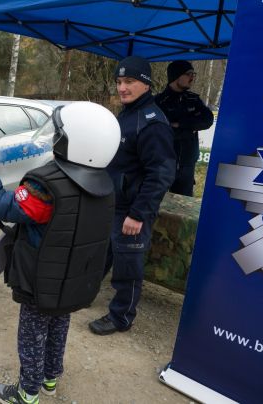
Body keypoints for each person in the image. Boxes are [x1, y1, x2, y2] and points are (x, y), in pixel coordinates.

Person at [0, 102, 121, 404]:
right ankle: (50, 378)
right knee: (59, 324)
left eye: (59, 134)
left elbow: (4, 207)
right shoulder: (103, 182)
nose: (54, 138)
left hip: (41, 277)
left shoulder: (46, 186)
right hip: (73, 277)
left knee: (32, 334)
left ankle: (28, 392)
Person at [89, 56, 176, 336]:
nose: (122, 88)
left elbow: (161, 174)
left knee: (128, 264)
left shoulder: (152, 122)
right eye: (119, 82)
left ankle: (121, 317)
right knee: (102, 254)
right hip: (112, 204)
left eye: (129, 82)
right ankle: (84, 293)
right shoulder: (126, 115)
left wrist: (138, 214)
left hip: (132, 210)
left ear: (146, 84)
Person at [155, 60, 214, 196]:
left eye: (194, 74)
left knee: (182, 208)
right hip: (162, 163)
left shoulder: (193, 99)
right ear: (176, 75)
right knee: (156, 204)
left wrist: (180, 124)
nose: (192, 77)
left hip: (187, 165)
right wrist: (190, 127)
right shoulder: (158, 101)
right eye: (188, 74)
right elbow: (160, 128)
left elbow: (207, 120)